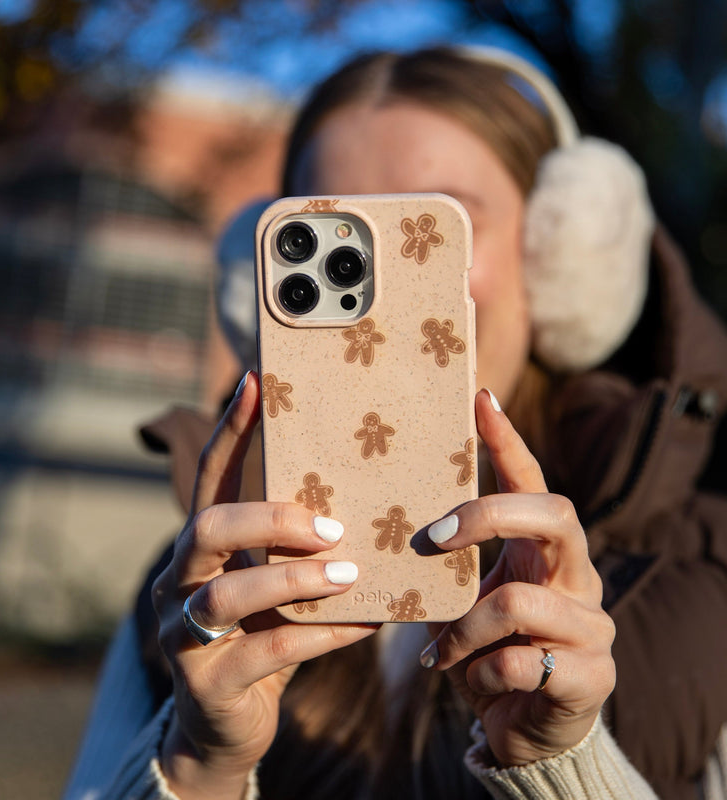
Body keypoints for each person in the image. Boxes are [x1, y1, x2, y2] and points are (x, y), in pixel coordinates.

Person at [64, 46, 727, 800]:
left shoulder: (710, 576)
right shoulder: (192, 596)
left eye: (430, 222)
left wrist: (568, 762)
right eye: (335, 227)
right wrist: (197, 765)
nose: (384, 282)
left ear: (557, 261)